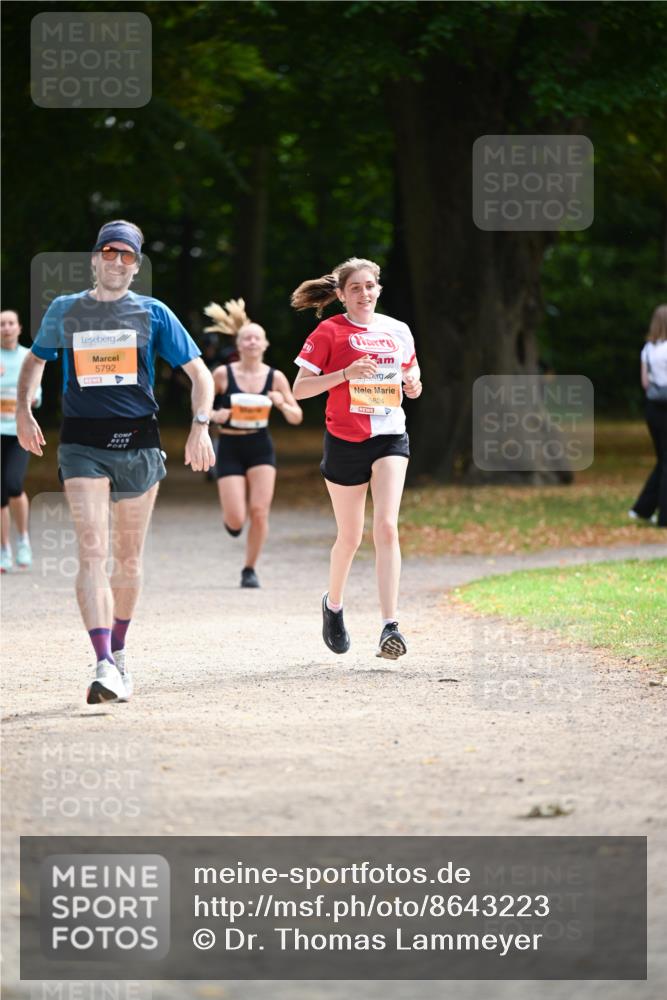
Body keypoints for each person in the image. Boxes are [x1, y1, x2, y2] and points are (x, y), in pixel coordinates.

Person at [16, 219, 215, 704]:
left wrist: (201, 425)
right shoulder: (66, 310)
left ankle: (120, 651)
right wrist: (23, 409)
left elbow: (199, 374)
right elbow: (36, 360)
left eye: (127, 256)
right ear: (95, 258)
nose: (118, 262)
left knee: (127, 559)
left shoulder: (154, 313)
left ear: (136, 265)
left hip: (140, 445)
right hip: (82, 444)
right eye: (110, 252)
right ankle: (103, 661)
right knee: (92, 552)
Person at [291, 256, 422, 659]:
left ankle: (389, 626)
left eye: (370, 286)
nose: (364, 294)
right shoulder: (328, 331)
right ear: (342, 295)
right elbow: (300, 389)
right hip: (345, 439)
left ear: (379, 288)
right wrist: (346, 374)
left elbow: (412, 380)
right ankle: (333, 606)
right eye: (355, 288)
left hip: (389, 436)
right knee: (349, 538)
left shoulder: (397, 330)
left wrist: (414, 385)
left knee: (386, 527)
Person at [204, 298, 303, 587]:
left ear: (265, 344)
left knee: (259, 511)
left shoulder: (276, 377)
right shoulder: (223, 375)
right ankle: (233, 523)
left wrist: (282, 404)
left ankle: (249, 569)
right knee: (236, 519)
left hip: (260, 447)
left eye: (256, 338)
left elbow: (296, 416)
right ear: (238, 344)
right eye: (246, 338)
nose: (251, 342)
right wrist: (215, 414)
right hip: (230, 448)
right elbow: (201, 408)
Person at [1, 309, 42, 572]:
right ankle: (4, 549)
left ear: (19, 327)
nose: (6, 328)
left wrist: (23, 402)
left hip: (18, 433)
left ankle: (23, 538)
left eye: (10, 323)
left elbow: (36, 396)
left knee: (13, 484)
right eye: (1, 324)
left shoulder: (29, 356)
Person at [629, 303, 667, 528]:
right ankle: (663, 517)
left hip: (653, 408)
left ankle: (642, 508)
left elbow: (645, 382)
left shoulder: (648, 349)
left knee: (662, 460)